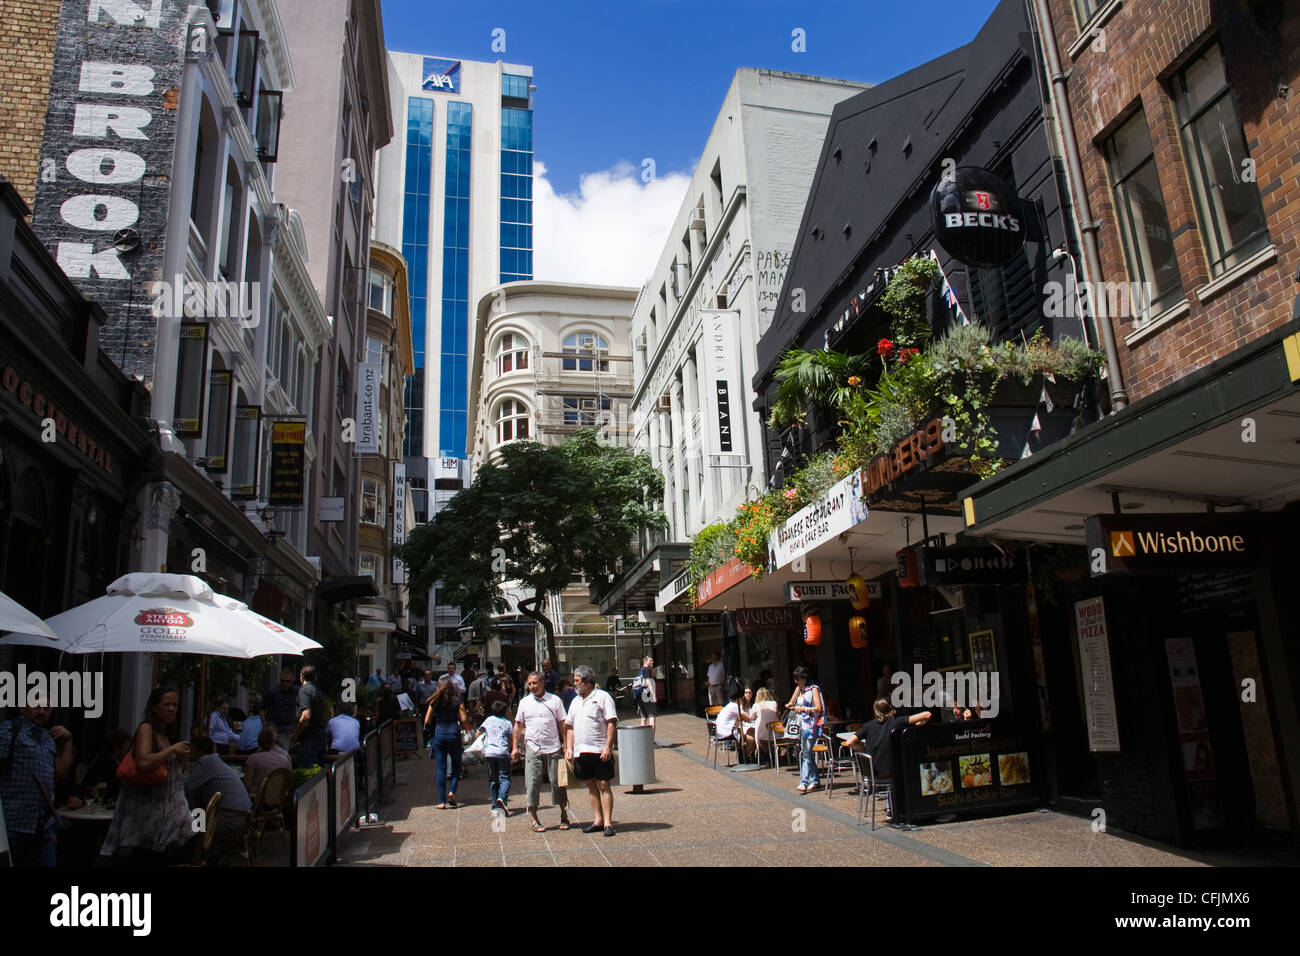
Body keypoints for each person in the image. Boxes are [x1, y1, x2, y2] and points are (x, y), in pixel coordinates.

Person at [99, 686, 194, 866]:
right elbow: (143, 762)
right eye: (167, 704)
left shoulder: (164, 736)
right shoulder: (146, 728)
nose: (172, 709)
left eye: (175, 705)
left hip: (162, 823)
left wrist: (179, 759)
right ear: (154, 707)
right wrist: (172, 750)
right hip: (145, 819)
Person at [0, 702, 75, 866]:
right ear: (23, 708)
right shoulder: (10, 729)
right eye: (36, 706)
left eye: (47, 709)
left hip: (42, 824)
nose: (42, 712)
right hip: (14, 822)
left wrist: (68, 741)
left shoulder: (48, 737)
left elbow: (60, 773)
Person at [841, 698, 933, 815]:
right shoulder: (897, 722)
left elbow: (849, 743)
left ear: (875, 710)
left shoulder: (868, 726)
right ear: (890, 709)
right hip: (893, 774)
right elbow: (927, 714)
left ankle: (892, 808)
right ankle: (914, 807)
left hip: (873, 775)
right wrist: (920, 724)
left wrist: (864, 748)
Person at [513, 670, 573, 832]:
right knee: (532, 782)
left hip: (553, 746)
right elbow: (518, 725)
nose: (531, 686)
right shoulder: (524, 702)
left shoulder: (555, 700)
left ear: (542, 683)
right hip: (533, 747)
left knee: (558, 782)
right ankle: (533, 817)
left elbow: (562, 724)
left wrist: (566, 745)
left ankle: (564, 814)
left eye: (534, 683)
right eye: (529, 684)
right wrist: (514, 747)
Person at [565, 664, 618, 837]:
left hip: (599, 748)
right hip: (582, 750)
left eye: (577, 681)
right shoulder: (575, 701)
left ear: (587, 682)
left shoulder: (602, 697)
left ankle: (608, 823)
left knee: (603, 783)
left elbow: (611, 722)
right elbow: (570, 726)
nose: (575, 684)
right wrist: (569, 747)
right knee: (590, 784)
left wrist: (608, 746)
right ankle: (597, 820)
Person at [184, 734, 251, 854]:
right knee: (196, 814)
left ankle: (198, 855)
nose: (189, 753)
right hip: (243, 814)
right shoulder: (214, 760)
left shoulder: (205, 762)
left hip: (231, 818)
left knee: (187, 823)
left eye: (192, 750)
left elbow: (187, 788)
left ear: (201, 751)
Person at [424, 680, 471, 809]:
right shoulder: (458, 701)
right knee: (456, 766)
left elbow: (427, 720)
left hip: (439, 734)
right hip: (454, 734)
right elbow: (464, 719)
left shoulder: (435, 701)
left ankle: (441, 801)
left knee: (441, 768)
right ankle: (452, 791)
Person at [784, 666, 824, 793]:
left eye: (798, 679)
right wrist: (790, 705)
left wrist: (804, 709)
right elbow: (792, 701)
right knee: (807, 752)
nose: (796, 681)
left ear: (804, 678)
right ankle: (815, 779)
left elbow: (818, 708)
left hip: (810, 725)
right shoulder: (798, 689)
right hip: (800, 724)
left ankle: (804, 781)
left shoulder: (813, 690)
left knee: (806, 753)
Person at [470, 700, 514, 814]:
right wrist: (510, 749)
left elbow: (478, 733)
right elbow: (511, 738)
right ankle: (502, 798)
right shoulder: (508, 723)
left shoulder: (489, 720)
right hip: (503, 752)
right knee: (504, 777)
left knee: (493, 778)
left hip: (489, 752)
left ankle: (494, 805)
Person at [80, 729, 133, 802]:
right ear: (117, 749)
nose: (130, 753)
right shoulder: (106, 762)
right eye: (127, 750)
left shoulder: (109, 760)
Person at [292, 664, 328, 768]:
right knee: (318, 774)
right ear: (315, 677)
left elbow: (306, 715)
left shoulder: (304, 691)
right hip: (320, 736)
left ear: (301, 676)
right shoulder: (318, 691)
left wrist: (296, 734)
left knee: (307, 775)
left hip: (309, 739)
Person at [243, 727, 291, 797]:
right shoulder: (285, 759)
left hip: (256, 799)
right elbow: (288, 784)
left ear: (259, 742)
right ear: (273, 743)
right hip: (277, 800)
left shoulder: (254, 758)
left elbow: (246, 787)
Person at [742, 687, 779, 762]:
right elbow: (777, 715)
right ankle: (770, 756)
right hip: (776, 734)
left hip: (762, 734)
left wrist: (743, 715)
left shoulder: (757, 705)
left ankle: (757, 755)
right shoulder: (774, 703)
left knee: (754, 733)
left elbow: (751, 717)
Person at [265, 667, 299, 747]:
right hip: (275, 728)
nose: (285, 683)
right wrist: (265, 724)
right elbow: (262, 708)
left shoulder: (297, 692)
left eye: (287, 681)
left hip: (290, 729)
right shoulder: (273, 692)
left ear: (292, 680)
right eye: (282, 681)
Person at [714, 686, 744, 755]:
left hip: (718, 732)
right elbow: (744, 715)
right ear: (739, 699)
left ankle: (741, 754)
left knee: (741, 733)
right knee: (744, 736)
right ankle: (742, 755)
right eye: (742, 698)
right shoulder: (735, 706)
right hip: (725, 733)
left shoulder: (729, 705)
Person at [634, 655, 657, 730]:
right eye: (650, 660)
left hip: (640, 695)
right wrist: (653, 695)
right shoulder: (647, 670)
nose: (652, 662)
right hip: (647, 695)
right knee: (652, 716)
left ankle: (643, 739)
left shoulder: (640, 670)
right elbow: (648, 683)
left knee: (643, 717)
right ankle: (651, 739)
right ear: (646, 661)